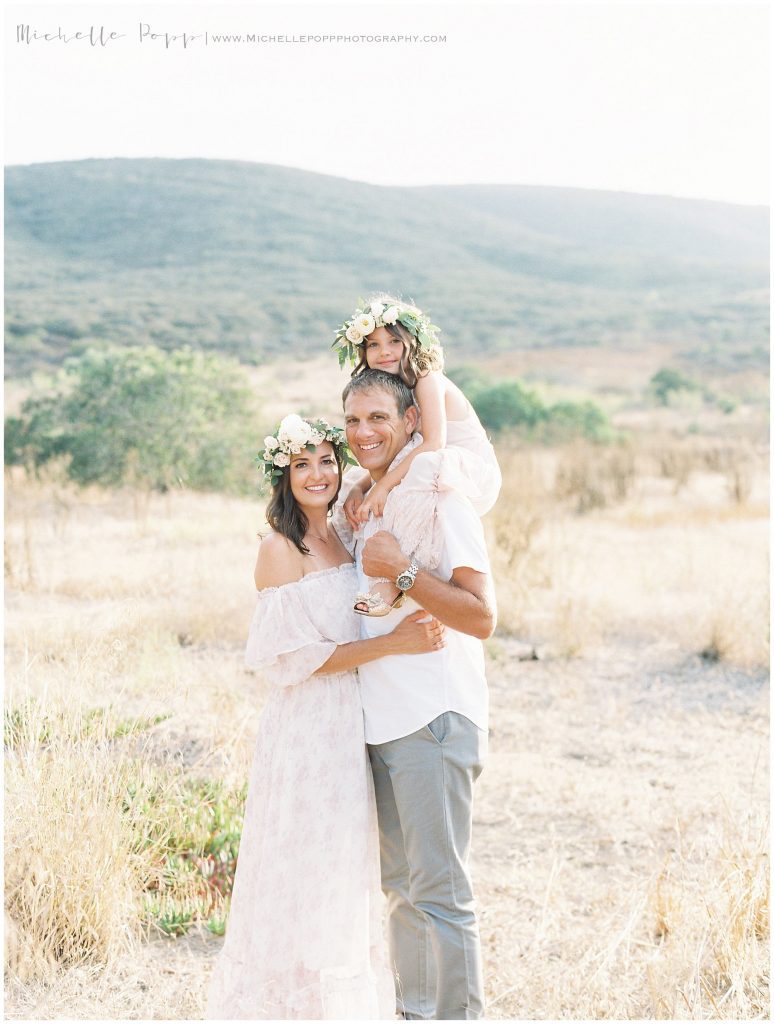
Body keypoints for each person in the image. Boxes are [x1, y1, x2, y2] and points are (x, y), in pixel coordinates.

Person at [205, 414, 447, 1021]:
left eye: (325, 461)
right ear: (283, 477)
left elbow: (413, 457)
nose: (317, 474)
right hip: (306, 731)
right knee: (303, 867)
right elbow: (296, 661)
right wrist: (397, 644)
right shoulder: (278, 549)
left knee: (344, 872)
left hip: (350, 724)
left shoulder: (345, 532)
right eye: (301, 464)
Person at [338, 371, 497, 1020]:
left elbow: (481, 615)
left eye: (378, 417)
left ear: (411, 421)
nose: (363, 433)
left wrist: (400, 571)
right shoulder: (366, 503)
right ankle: (415, 1013)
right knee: (401, 890)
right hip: (380, 722)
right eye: (351, 421)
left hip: (433, 717)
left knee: (440, 892)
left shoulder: (441, 494)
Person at [331, 295, 501, 616]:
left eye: (394, 341)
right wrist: (363, 486)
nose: (384, 352)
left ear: (413, 342)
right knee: (355, 482)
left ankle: (395, 578)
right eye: (373, 345)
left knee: (419, 466)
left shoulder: (427, 378)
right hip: (431, 462)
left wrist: (381, 488)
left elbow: (433, 443)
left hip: (471, 470)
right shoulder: (395, 387)